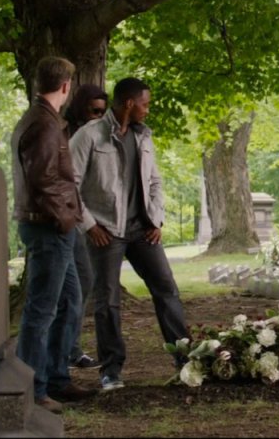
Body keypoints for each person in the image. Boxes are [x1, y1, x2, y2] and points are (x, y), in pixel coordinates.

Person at [70, 77, 191, 391]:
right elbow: (68, 185)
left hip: (143, 231)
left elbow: (154, 183)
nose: (147, 110)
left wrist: (157, 220)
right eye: (145, 104)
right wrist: (90, 226)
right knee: (107, 301)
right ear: (129, 103)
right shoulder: (88, 136)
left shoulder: (144, 137)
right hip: (105, 232)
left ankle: (185, 360)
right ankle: (111, 371)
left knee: (167, 290)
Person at [10, 57, 99, 414]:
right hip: (49, 227)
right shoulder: (44, 125)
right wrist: (67, 218)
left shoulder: (43, 119)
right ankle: (31, 390)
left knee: (71, 299)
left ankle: (57, 379)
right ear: (66, 86)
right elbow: (44, 179)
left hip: (52, 224)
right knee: (41, 309)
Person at [62, 84, 109, 370]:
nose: (97, 117)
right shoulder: (69, 135)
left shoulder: (100, 136)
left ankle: (70, 348)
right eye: (93, 111)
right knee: (76, 284)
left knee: (83, 282)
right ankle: (68, 350)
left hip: (87, 216)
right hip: (71, 219)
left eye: (102, 112)